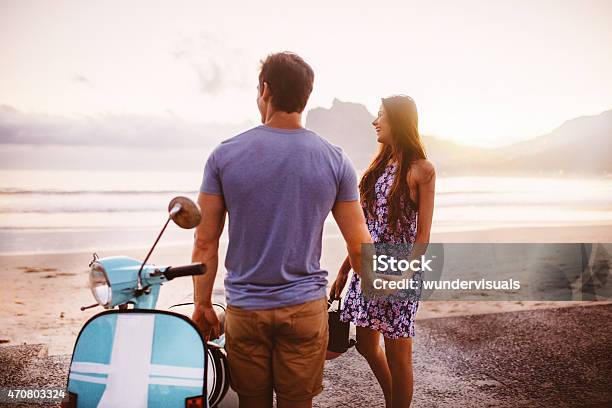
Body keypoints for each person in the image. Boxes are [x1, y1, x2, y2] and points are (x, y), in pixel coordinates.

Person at [190, 51, 372, 408]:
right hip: (304, 309)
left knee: (252, 402)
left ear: (265, 89)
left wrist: (202, 305)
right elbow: (359, 243)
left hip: (246, 309)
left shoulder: (224, 155)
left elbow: (205, 241)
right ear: (306, 96)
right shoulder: (335, 159)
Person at [330, 95, 436, 408]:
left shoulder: (422, 170)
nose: (375, 122)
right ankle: (394, 401)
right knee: (365, 343)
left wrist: (405, 275)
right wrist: (344, 270)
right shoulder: (377, 168)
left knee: (398, 353)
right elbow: (364, 229)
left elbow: (423, 234)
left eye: (381, 115)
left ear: (399, 121)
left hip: (399, 269)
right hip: (367, 267)